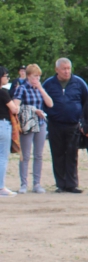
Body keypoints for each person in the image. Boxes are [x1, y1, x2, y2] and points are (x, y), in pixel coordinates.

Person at [43, 58, 88, 193]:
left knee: (72, 154)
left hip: (73, 124)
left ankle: (72, 184)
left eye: (68, 68)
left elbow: (86, 101)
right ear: (57, 69)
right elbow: (42, 99)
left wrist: (83, 120)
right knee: (57, 154)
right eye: (64, 69)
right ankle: (60, 184)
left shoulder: (79, 82)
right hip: (55, 124)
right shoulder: (49, 84)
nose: (66, 71)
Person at [13, 64, 53, 194]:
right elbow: (16, 106)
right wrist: (33, 110)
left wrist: (41, 88)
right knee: (25, 154)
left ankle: (37, 183)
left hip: (40, 122)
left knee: (39, 154)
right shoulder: (22, 88)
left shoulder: (39, 89)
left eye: (39, 76)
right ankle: (23, 183)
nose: (37, 78)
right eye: (35, 76)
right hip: (28, 121)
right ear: (29, 76)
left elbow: (50, 103)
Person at [0, 67, 19, 197]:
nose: (7, 78)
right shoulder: (3, 92)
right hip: (2, 124)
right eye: (6, 76)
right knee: (2, 157)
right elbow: (14, 109)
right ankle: (0, 187)